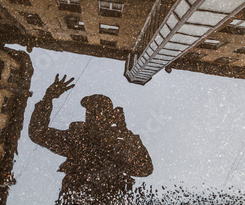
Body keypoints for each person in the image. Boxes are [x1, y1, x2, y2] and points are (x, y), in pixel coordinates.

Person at [29, 74, 153, 204]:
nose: (91, 115)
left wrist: (125, 131)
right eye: (90, 111)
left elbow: (145, 168)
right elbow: (38, 133)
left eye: (98, 112)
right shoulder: (76, 138)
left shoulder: (117, 146)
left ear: (110, 118)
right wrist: (48, 98)